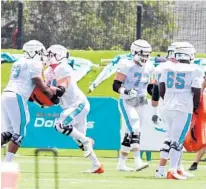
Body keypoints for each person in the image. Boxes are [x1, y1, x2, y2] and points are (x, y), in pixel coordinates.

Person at [43, 44, 104, 174]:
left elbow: (60, 90)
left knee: (60, 125)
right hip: (69, 105)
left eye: (51, 55)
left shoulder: (63, 68)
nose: (48, 57)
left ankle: (87, 141)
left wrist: (44, 88)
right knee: (80, 142)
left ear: (59, 56)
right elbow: (55, 97)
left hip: (78, 104)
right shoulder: (48, 72)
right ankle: (97, 165)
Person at [1, 40, 59, 162]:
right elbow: (38, 82)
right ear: (36, 51)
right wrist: (52, 97)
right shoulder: (35, 62)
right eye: (41, 52)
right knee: (19, 133)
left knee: (8, 133)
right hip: (17, 96)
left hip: (6, 94)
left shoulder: (18, 62)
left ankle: (7, 162)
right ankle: (7, 163)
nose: (42, 55)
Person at [158, 43, 203, 180]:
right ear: (189, 54)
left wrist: (167, 99)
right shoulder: (194, 69)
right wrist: (195, 107)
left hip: (168, 106)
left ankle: (176, 168)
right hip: (183, 107)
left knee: (173, 138)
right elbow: (196, 90)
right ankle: (172, 170)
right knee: (177, 140)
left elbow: (161, 87)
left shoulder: (167, 67)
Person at [112, 39, 154, 171]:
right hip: (127, 101)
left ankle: (121, 163)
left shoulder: (150, 66)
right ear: (134, 52)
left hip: (141, 100)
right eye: (143, 54)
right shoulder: (126, 64)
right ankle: (137, 161)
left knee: (130, 133)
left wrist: (155, 93)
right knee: (135, 128)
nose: (145, 57)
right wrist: (126, 91)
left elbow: (150, 87)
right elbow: (115, 85)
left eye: (147, 54)